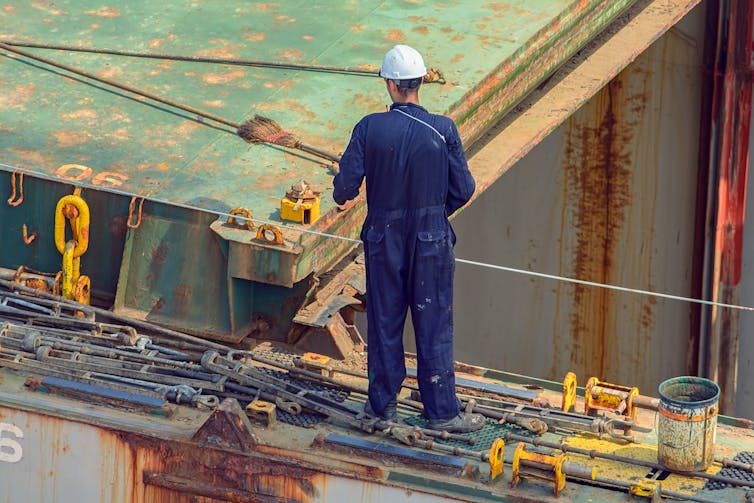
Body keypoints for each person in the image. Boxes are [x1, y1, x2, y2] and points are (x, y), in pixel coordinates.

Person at [333, 45, 483, 433]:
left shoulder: (369, 127)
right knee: (433, 321)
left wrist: (342, 185)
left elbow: (345, 189)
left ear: (390, 83)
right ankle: (443, 414)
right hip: (431, 240)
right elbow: (464, 189)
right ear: (420, 82)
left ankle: (383, 407)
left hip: (384, 239)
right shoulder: (444, 128)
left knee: (385, 321)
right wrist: (434, 213)